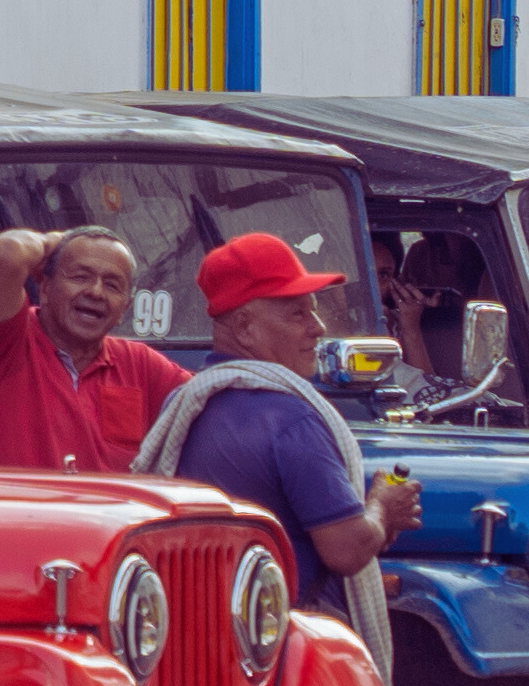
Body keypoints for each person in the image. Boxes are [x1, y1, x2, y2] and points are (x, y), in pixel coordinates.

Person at [130, 232, 418, 592]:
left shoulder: (182, 402)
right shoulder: (291, 420)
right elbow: (346, 551)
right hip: (282, 619)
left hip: (201, 613)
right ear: (244, 328)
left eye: (313, 310)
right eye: (298, 314)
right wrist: (383, 507)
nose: (318, 327)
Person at [0, 225, 189, 474]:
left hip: (97, 502)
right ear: (45, 288)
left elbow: (205, 404)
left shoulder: (141, 366)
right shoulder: (2, 340)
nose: (96, 292)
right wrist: (53, 241)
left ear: (125, 309)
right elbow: (4, 253)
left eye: (112, 285)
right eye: (80, 277)